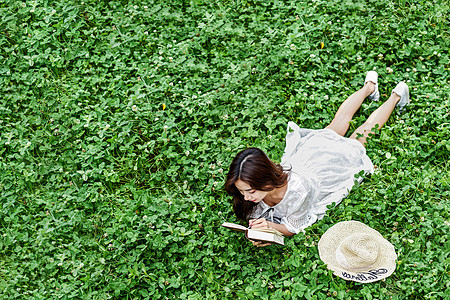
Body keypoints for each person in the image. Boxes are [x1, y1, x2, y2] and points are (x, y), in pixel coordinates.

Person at [225, 71, 410, 246]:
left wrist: (271, 227)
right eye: (242, 192)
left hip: (327, 169)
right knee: (337, 123)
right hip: (310, 156)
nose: (246, 197)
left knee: (360, 136)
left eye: (250, 191)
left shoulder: (297, 192)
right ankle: (369, 88)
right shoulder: (253, 194)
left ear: (265, 179)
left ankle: (394, 96)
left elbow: (293, 228)